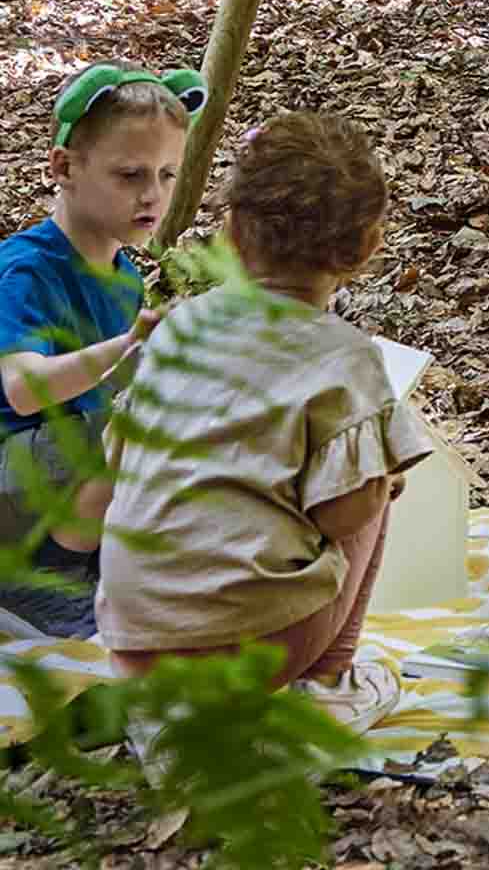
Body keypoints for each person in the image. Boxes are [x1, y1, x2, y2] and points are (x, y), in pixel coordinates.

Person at [96, 111, 428, 739]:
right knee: (377, 486)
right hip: (249, 649)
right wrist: (370, 483)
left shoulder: (178, 326)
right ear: (367, 246)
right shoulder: (346, 358)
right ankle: (328, 683)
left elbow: (117, 465)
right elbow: (342, 517)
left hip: (131, 642)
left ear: (230, 231)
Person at [0, 64, 202, 598]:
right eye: (130, 175)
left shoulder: (125, 276)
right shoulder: (28, 269)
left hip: (60, 484)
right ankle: (45, 594)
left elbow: (122, 388)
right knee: (132, 433)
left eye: (167, 175)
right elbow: (22, 390)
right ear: (64, 167)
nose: (152, 196)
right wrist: (132, 344)